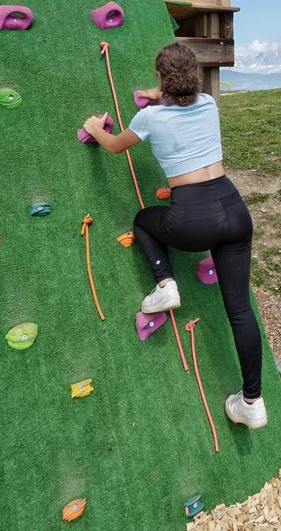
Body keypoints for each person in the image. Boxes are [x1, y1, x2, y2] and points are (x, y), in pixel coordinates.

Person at [81, 43, 267, 430]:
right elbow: (183, 100)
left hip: (193, 220)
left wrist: (96, 128)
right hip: (234, 211)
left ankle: (166, 284)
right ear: (194, 78)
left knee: (144, 220)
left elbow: (116, 147)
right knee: (241, 312)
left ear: (162, 78)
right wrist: (158, 95)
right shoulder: (209, 105)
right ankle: (253, 401)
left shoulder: (151, 119)